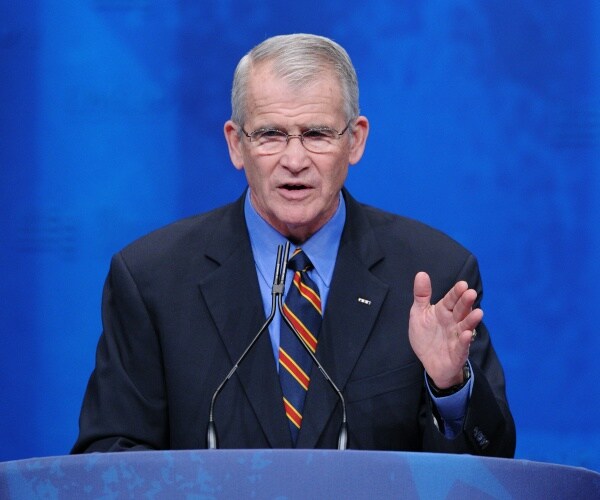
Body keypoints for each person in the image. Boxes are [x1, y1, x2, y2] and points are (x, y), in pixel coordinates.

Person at [72, 33, 515, 456]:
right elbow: (110, 457)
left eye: (317, 134)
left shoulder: (433, 274)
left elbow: (488, 470)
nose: (295, 160)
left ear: (355, 140)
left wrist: (449, 386)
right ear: (236, 144)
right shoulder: (152, 279)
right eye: (270, 135)